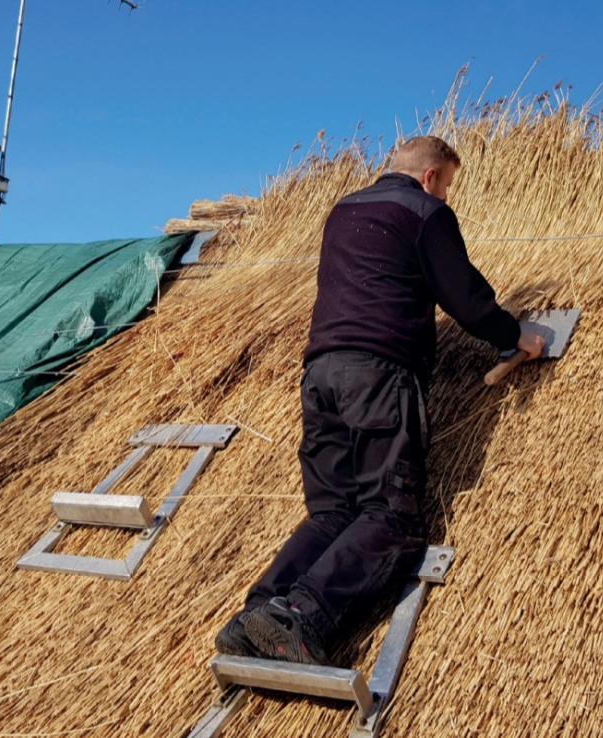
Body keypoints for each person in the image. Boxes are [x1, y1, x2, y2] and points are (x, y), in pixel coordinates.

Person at [215, 135, 545, 664]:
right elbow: (463, 294)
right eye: (447, 187)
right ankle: (302, 614)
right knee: (391, 515)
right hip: (378, 374)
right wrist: (513, 335)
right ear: (431, 177)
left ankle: (256, 612)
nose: (446, 199)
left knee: (331, 511)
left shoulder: (344, 210)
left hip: (320, 373)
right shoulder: (425, 212)